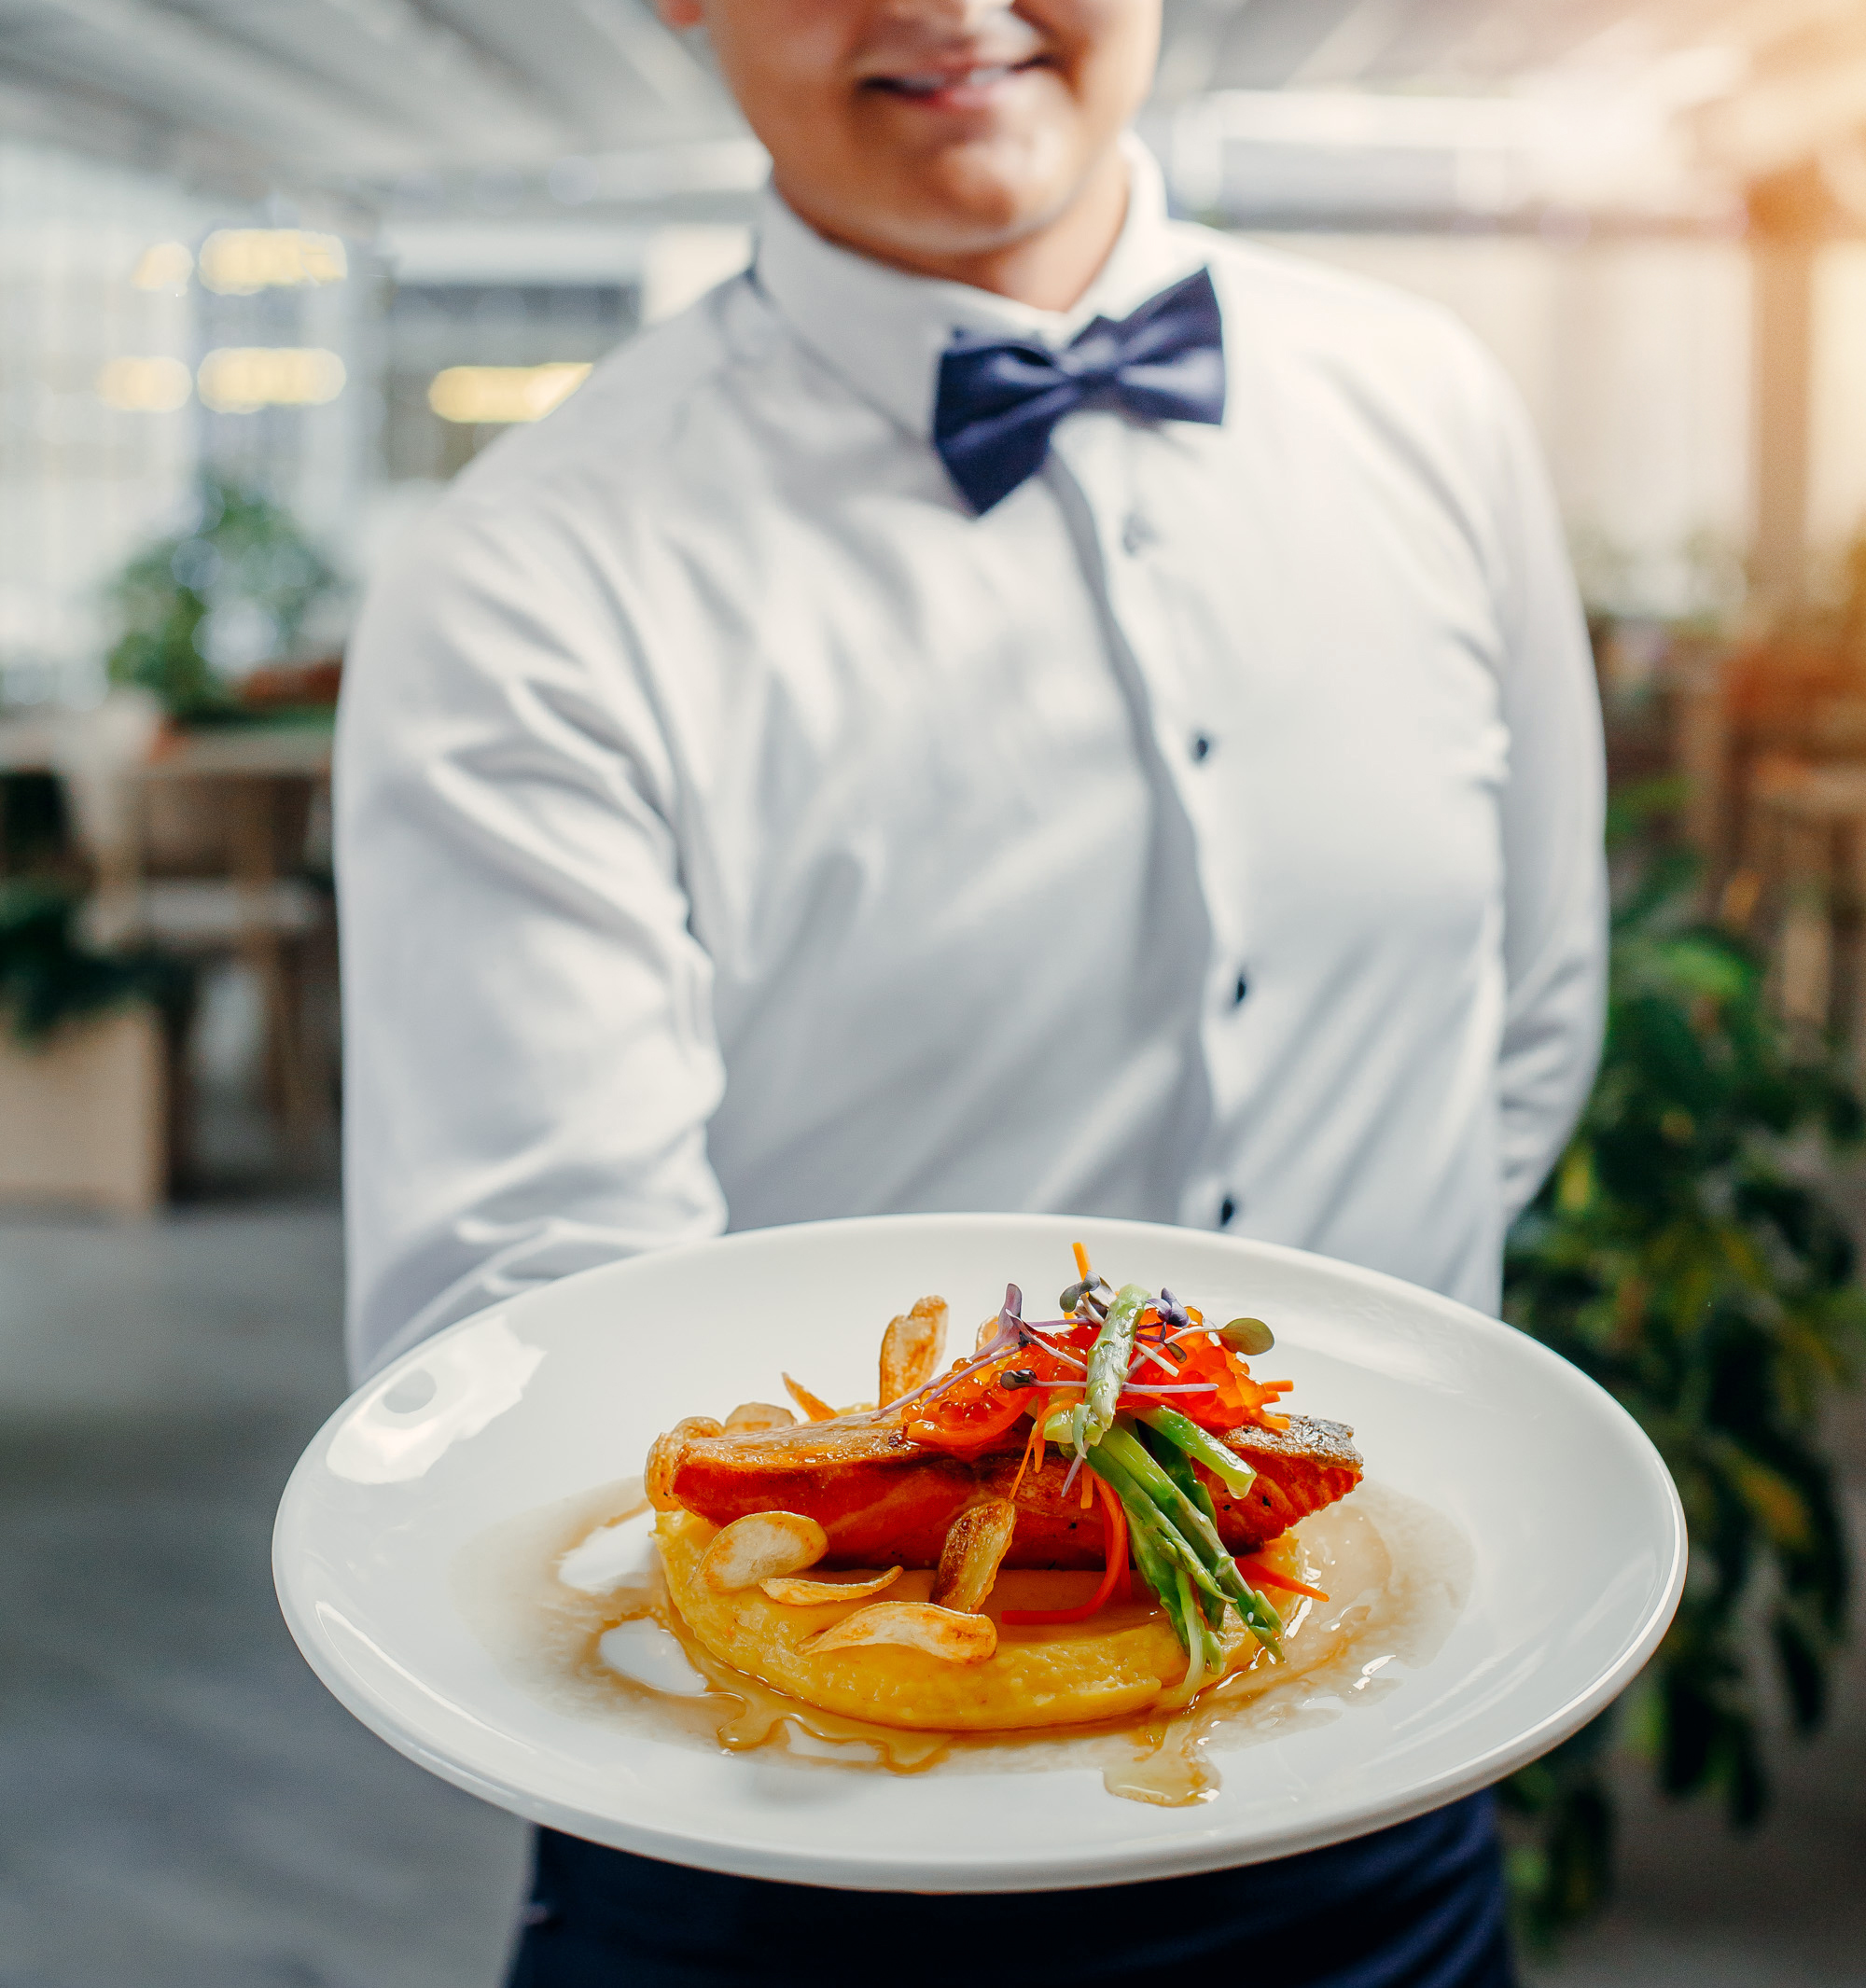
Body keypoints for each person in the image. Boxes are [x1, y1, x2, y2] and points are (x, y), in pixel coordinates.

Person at [335, 1, 1607, 1981]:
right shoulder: (530, 570)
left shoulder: (1430, 407)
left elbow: (1523, 1032)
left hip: (1380, 1802)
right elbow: (533, 1323)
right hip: (791, 1852)